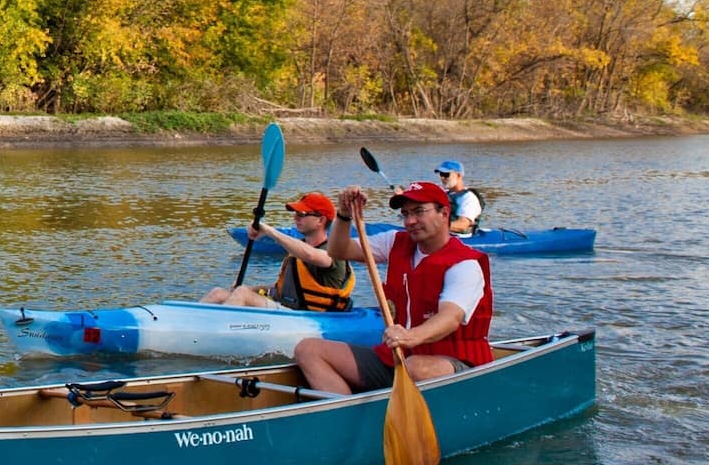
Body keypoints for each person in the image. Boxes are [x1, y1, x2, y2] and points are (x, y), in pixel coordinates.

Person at [291, 182, 493, 395]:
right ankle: (345, 415)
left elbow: (450, 317)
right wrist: (344, 214)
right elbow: (338, 250)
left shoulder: (465, 264)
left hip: (456, 362)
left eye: (419, 212)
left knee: (415, 367)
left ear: (444, 213)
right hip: (398, 356)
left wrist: (410, 336)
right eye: (405, 214)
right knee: (308, 350)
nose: (410, 221)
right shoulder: (396, 242)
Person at [199, 192, 354, 311]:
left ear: (321, 220)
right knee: (218, 293)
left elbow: (311, 255)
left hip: (311, 318)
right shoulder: (298, 249)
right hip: (288, 310)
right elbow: (282, 290)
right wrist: (251, 288)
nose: (296, 218)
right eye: (295, 213)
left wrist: (269, 231)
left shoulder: (334, 251)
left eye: (302, 214)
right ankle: (186, 327)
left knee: (242, 295)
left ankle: (217, 333)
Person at [436, 160, 482, 235]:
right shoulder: (445, 195)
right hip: (444, 234)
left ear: (458, 175)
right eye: (441, 174)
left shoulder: (468, 198)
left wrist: (433, 226)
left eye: (446, 174)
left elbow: (462, 225)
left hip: (460, 237)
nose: (442, 178)